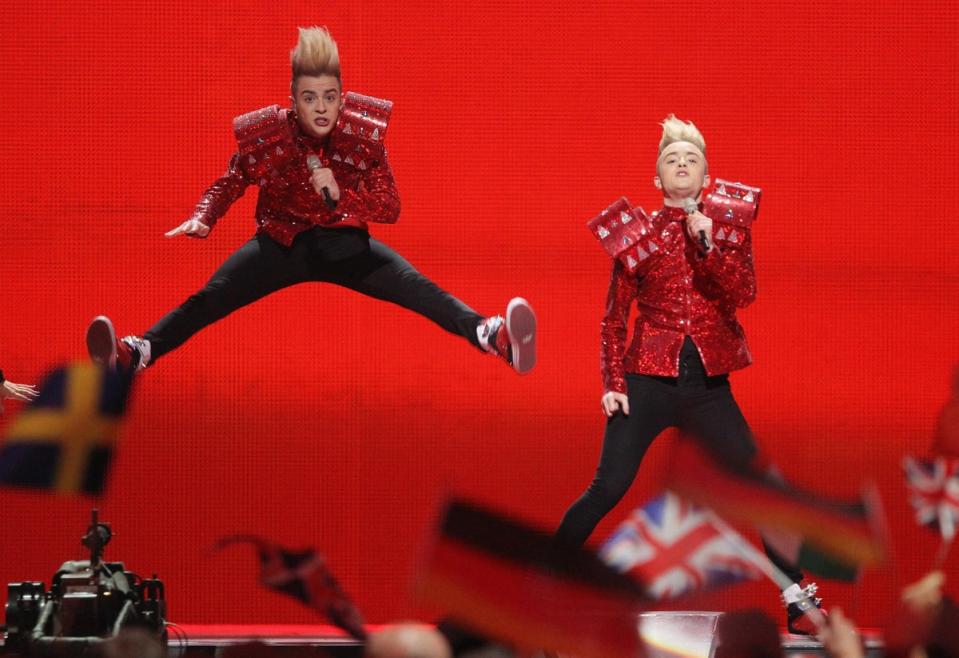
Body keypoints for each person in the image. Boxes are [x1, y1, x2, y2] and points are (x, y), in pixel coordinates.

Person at [86, 26, 536, 377]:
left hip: (345, 246)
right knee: (211, 298)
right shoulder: (269, 135)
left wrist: (343, 195)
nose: (320, 107)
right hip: (280, 245)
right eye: (309, 98)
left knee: (419, 289)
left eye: (329, 97)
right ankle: (135, 353)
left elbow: (390, 206)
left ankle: (493, 335)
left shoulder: (361, 138)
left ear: (341, 99)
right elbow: (231, 181)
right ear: (293, 101)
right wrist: (204, 217)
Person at [554, 115, 821, 634]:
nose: (682, 165)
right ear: (657, 178)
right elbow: (613, 317)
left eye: (691, 160)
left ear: (707, 177)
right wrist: (612, 384)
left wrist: (709, 244)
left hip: (708, 388)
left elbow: (740, 294)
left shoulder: (727, 230)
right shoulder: (637, 234)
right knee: (607, 487)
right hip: (647, 380)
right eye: (672, 160)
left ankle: (796, 601)